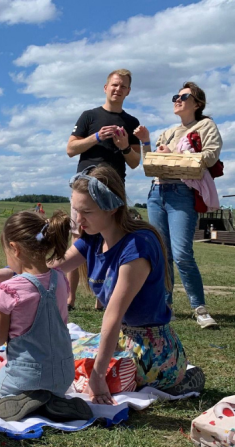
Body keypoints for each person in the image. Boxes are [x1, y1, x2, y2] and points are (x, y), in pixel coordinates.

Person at [0, 164, 203, 404]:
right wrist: (10, 271)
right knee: (61, 359)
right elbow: (50, 266)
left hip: (151, 348)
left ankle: (181, 377)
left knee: (82, 374)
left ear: (112, 207)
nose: (79, 220)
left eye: (86, 211)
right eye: (76, 210)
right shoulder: (93, 240)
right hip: (120, 340)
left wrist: (98, 375)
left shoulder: (138, 245)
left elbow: (113, 314)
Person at [0, 210, 92, 423]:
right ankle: (51, 401)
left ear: (14, 248)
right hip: (63, 376)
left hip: (26, 375)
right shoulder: (61, 279)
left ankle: (31, 397)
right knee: (46, 382)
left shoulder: (9, 289)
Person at [134, 81, 222, 329]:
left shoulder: (206, 126)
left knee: (182, 253)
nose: (177, 100)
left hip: (182, 193)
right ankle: (165, 306)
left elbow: (210, 156)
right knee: (162, 255)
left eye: (184, 97)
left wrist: (173, 155)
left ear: (197, 103)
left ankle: (199, 308)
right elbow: (150, 164)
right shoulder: (169, 132)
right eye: (175, 96)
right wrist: (146, 142)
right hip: (156, 192)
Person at [66, 68, 141, 310]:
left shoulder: (131, 123)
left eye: (123, 86)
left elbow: (135, 162)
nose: (118, 89)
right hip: (85, 185)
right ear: (106, 88)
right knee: (78, 238)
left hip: (114, 189)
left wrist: (124, 146)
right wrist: (97, 137)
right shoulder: (89, 116)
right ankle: (70, 298)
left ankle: (103, 297)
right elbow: (70, 149)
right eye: (115, 85)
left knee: (111, 240)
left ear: (128, 91)